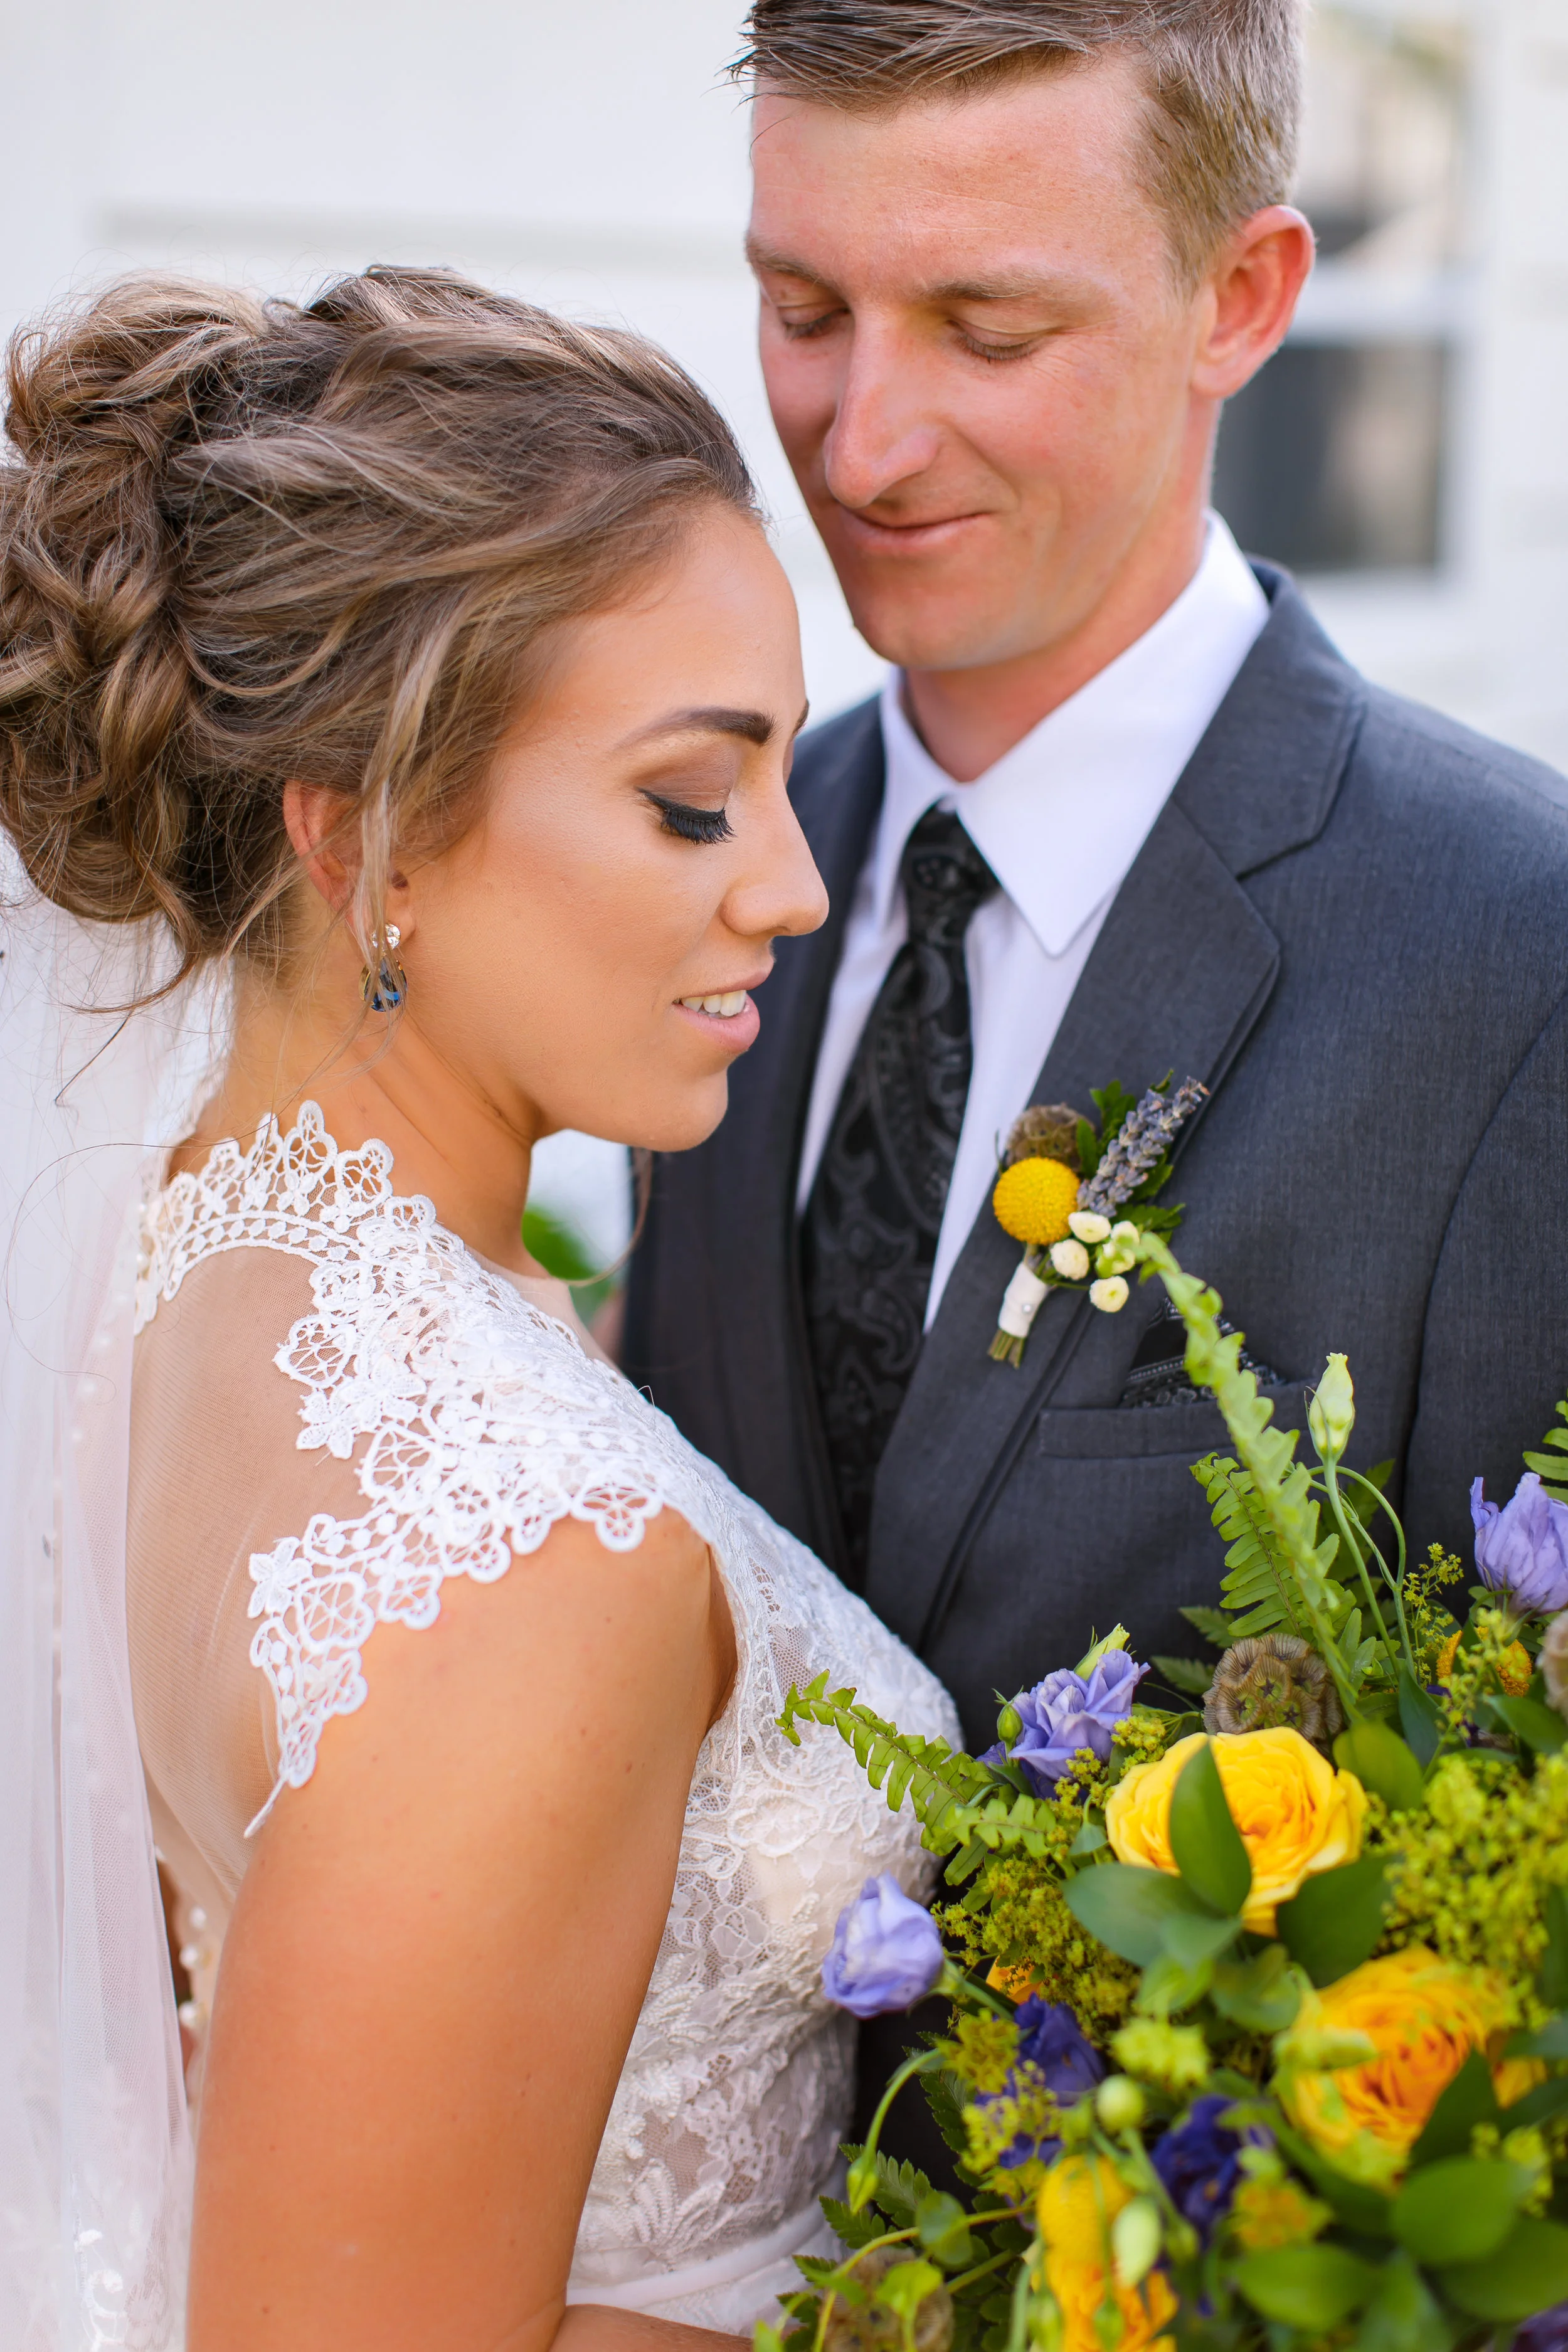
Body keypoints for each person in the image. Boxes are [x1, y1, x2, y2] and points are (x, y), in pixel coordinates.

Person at [620, 0, 1568, 2141]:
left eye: (985, 329)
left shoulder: (1518, 964)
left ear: (1241, 297)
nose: (859, 445)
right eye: (802, 311)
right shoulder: (679, 876)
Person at [0, 266, 958, 2351]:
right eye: (691, 799)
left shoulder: (189, 1268)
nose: (793, 885)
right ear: (370, 845)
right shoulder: (515, 1557)